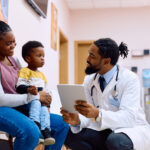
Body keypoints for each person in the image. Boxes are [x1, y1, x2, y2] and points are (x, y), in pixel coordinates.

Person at [61, 38, 150, 150]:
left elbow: (129, 118)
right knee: (70, 135)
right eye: (89, 54)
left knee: (115, 141)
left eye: (92, 56)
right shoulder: (89, 80)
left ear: (106, 61)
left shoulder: (130, 79)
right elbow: (87, 115)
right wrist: (77, 120)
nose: (87, 59)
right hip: (105, 128)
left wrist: (98, 114)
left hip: (131, 130)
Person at [0, 20, 69, 150]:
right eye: (8, 43)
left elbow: (26, 83)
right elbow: (1, 99)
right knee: (31, 131)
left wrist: (44, 100)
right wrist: (35, 97)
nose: (13, 46)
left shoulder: (14, 60)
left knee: (62, 124)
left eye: (14, 41)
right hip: (2, 108)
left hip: (20, 106)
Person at [16, 41, 55, 145]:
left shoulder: (42, 75)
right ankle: (35, 125)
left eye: (43, 56)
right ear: (28, 58)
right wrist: (29, 89)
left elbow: (46, 90)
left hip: (41, 101)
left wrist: (48, 102)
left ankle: (46, 131)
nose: (42, 58)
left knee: (44, 111)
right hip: (30, 100)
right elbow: (19, 86)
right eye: (39, 56)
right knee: (36, 102)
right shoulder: (25, 71)